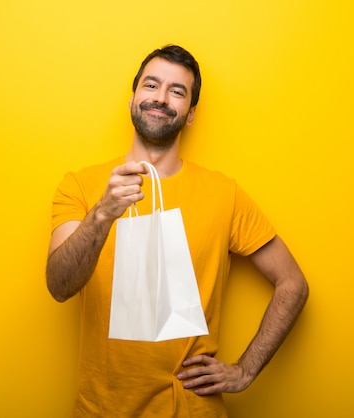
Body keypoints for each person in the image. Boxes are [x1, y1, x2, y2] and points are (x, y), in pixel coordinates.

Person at [46, 44, 309, 417]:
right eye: (151, 85)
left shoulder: (224, 194)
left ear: (189, 114)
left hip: (191, 409)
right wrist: (103, 213)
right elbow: (59, 286)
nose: (161, 98)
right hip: (102, 409)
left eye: (177, 91)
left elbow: (293, 284)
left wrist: (245, 370)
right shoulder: (83, 186)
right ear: (133, 98)